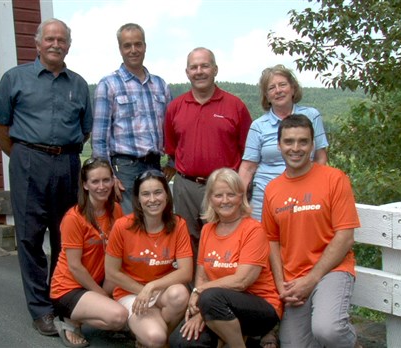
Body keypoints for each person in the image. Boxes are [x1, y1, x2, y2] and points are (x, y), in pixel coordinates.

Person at [0, 18, 93, 336]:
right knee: (30, 238)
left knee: (66, 237)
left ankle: (60, 298)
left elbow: (85, 129)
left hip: (68, 163)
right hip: (28, 160)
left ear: (69, 46)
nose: (55, 44)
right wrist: (22, 157)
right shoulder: (15, 78)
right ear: (37, 43)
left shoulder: (78, 84)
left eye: (62, 40)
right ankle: (40, 309)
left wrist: (61, 156)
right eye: (50, 39)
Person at [262, 114, 360, 348]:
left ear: (312, 144)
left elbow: (345, 236)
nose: (296, 148)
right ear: (279, 145)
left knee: (329, 330)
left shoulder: (334, 179)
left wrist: (312, 278)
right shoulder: (272, 189)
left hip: (331, 271)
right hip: (293, 279)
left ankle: (351, 343)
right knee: (292, 344)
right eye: (289, 141)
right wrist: (281, 286)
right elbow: (271, 241)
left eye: (303, 141)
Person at [170, 168, 281, 348]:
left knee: (210, 298)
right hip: (216, 306)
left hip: (259, 307)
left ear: (240, 197)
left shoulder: (253, 230)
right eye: (218, 195)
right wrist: (202, 312)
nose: (225, 200)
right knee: (182, 342)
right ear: (210, 199)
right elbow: (202, 276)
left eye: (231, 194)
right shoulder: (207, 230)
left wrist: (200, 293)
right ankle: (228, 336)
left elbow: (241, 281)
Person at [164, 47, 252, 259]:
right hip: (187, 186)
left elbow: (248, 152)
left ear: (215, 69)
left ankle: (220, 290)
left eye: (205, 65)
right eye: (194, 67)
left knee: (225, 239)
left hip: (223, 188)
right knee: (187, 242)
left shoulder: (235, 106)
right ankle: (191, 289)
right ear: (187, 72)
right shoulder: (175, 107)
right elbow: (172, 148)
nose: (199, 71)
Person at [105, 169, 193, 348]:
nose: (153, 199)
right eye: (146, 194)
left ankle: (148, 341)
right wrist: (142, 291)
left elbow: (186, 272)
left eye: (158, 192)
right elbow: (111, 273)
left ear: (167, 196)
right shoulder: (123, 226)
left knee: (180, 294)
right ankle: (154, 339)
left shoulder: (178, 224)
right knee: (156, 337)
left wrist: (151, 288)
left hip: (160, 291)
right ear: (138, 199)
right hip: (130, 292)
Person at [92, 23, 172, 214]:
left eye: (138, 44)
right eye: (127, 45)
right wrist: (109, 175)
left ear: (145, 46)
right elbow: (99, 138)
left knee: (158, 221)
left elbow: (172, 130)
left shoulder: (160, 85)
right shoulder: (108, 85)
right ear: (120, 49)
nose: (133, 50)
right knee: (130, 224)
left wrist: (173, 163)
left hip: (155, 165)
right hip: (125, 168)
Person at [50, 158, 128, 347]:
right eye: (95, 181)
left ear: (113, 180)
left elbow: (119, 253)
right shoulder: (74, 218)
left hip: (99, 279)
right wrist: (102, 294)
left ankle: (96, 311)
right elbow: (75, 267)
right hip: (68, 288)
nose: (102, 186)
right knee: (118, 317)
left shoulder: (116, 210)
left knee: (123, 319)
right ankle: (69, 320)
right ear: (85, 185)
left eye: (106, 180)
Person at [239, 64, 329, 221]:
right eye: (271, 88)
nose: (278, 90)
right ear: (266, 96)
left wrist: (318, 188)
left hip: (305, 194)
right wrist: (239, 200)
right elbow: (247, 168)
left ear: (293, 89)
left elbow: (320, 157)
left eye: (282, 85)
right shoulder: (258, 126)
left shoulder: (312, 116)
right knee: (263, 242)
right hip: (265, 197)